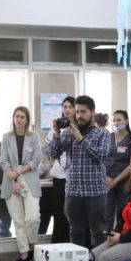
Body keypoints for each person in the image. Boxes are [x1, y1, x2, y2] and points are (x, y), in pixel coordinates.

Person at [47, 95, 112, 249]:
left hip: (95, 193)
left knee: (99, 233)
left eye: (83, 112)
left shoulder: (103, 133)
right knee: (76, 232)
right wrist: (57, 133)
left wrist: (81, 139)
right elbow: (54, 153)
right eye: (77, 112)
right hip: (73, 192)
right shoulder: (69, 133)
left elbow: (102, 155)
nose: (79, 116)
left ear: (92, 113)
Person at [0, 106, 44, 261]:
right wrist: (14, 179)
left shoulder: (33, 137)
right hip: (10, 181)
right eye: (16, 116)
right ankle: (24, 253)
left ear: (27, 120)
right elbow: (3, 160)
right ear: (13, 118)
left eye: (22, 117)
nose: (19, 119)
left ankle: (31, 245)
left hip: (28, 179)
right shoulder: (6, 137)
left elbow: (36, 160)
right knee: (18, 220)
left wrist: (18, 172)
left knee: (33, 217)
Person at [40, 96, 75, 241]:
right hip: (59, 175)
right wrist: (55, 160)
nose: (67, 110)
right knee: (59, 212)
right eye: (64, 107)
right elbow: (49, 149)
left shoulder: (79, 126)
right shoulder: (58, 126)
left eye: (70, 107)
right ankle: (58, 242)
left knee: (73, 212)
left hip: (75, 176)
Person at [105, 109, 131, 232]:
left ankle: (120, 237)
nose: (116, 123)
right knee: (106, 214)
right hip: (107, 181)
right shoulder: (107, 137)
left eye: (119, 120)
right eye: (114, 120)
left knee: (123, 213)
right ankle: (105, 239)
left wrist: (116, 180)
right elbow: (99, 159)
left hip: (124, 181)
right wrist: (106, 178)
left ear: (126, 121)